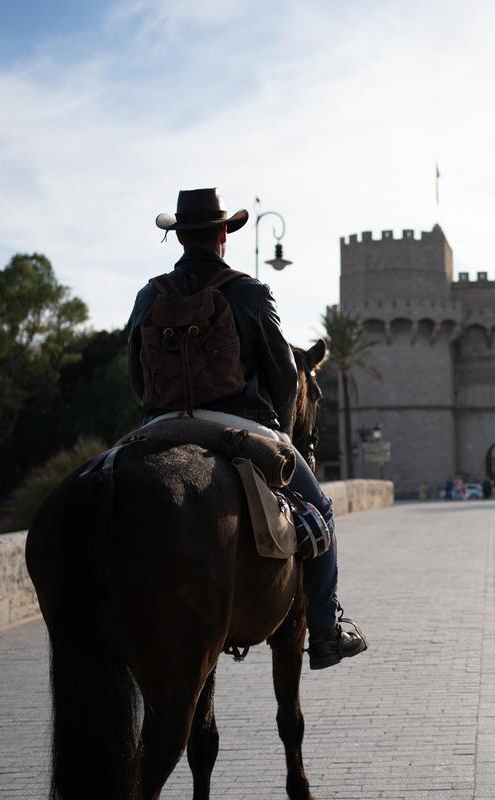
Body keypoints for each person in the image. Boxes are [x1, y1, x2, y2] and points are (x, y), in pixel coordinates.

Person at [125, 188, 367, 670]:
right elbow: (285, 376)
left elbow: (135, 374)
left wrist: (159, 414)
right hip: (239, 426)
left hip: (158, 427)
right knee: (320, 510)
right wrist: (278, 434)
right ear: (223, 235)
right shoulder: (250, 292)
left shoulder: (149, 294)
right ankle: (325, 630)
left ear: (180, 239)